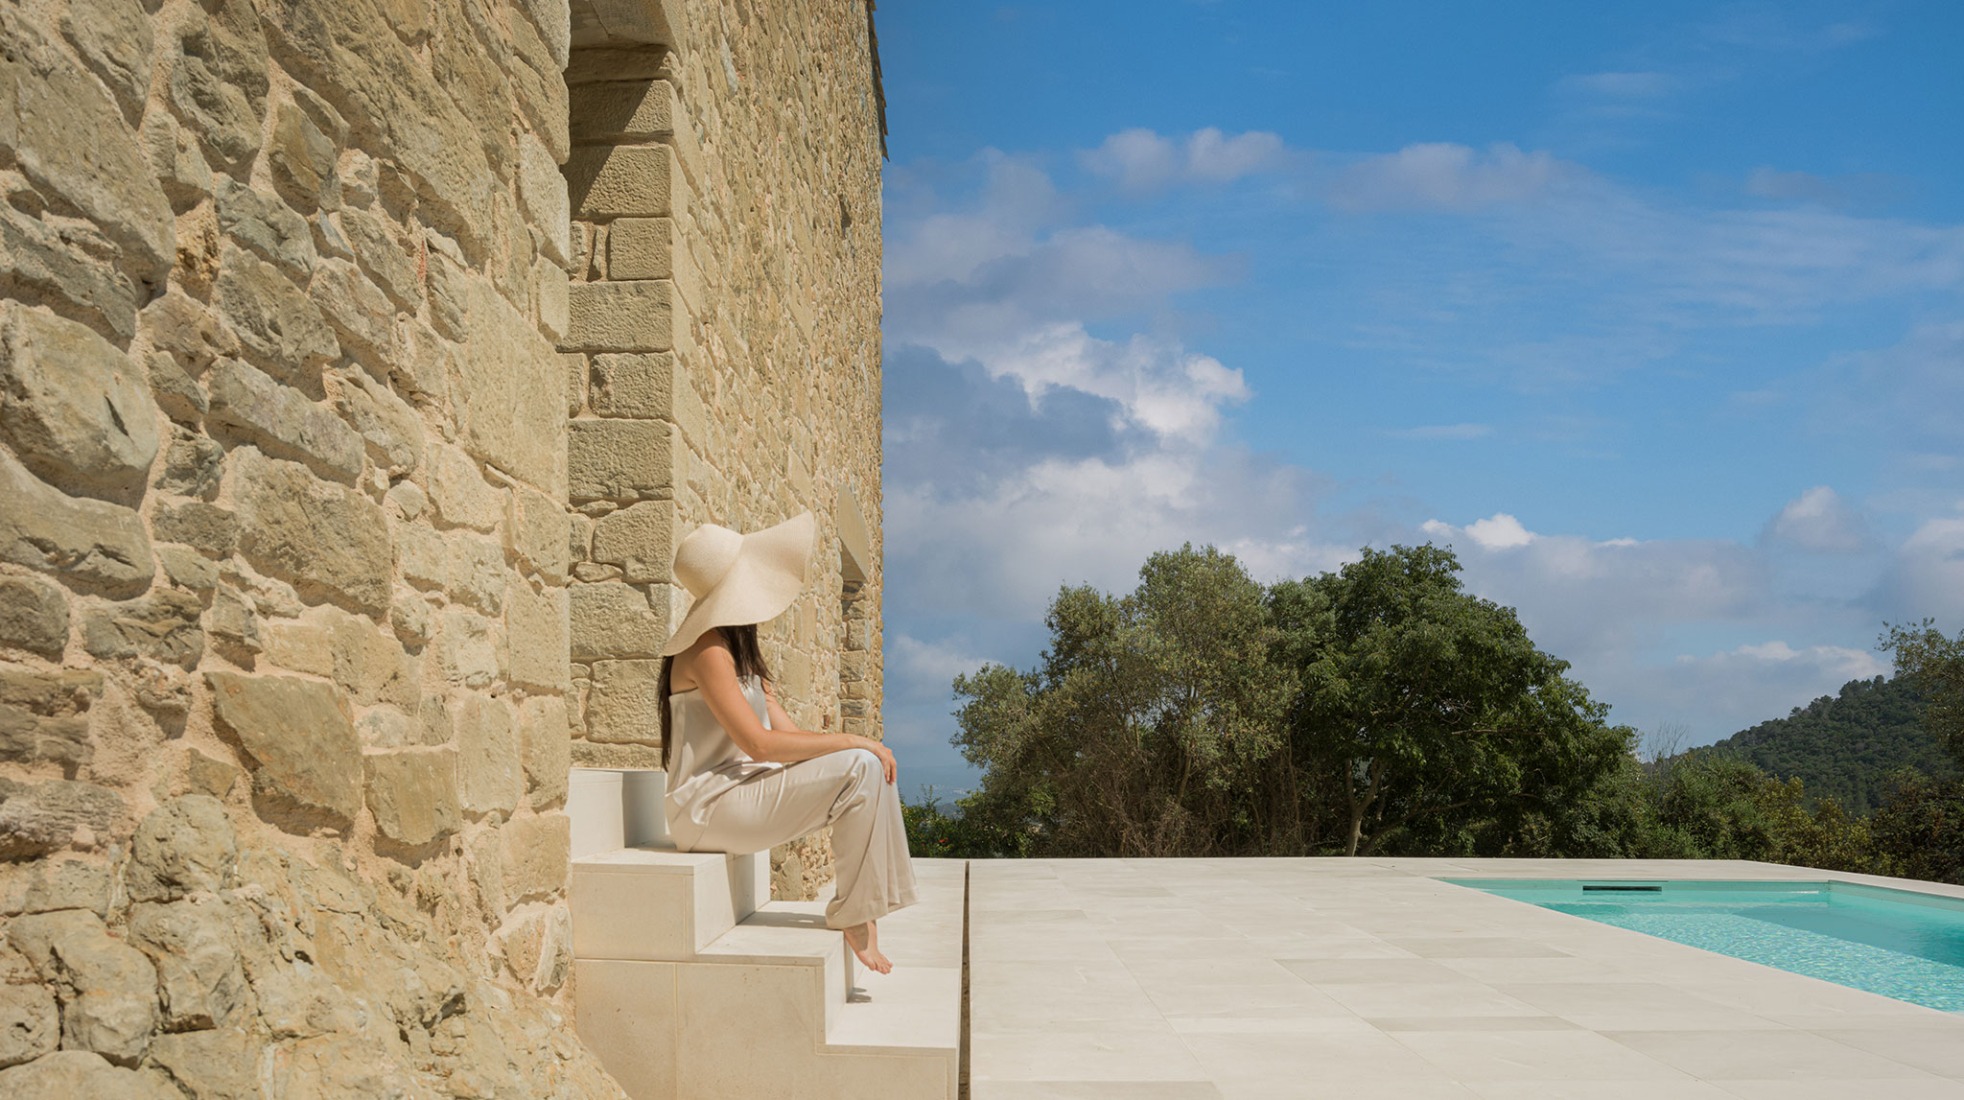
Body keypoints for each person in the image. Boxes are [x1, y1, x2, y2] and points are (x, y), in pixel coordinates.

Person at [657, 511, 917, 973]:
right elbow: (759, 744)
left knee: (868, 764)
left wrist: (864, 747)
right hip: (707, 809)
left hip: (740, 794)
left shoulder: (739, 658)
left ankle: (864, 908)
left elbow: (788, 736)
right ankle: (856, 914)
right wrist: (857, 740)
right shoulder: (706, 650)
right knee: (861, 762)